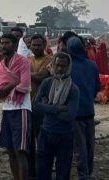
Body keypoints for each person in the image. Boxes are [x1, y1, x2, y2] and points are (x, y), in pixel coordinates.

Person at [35, 52, 80, 180]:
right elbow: (36, 106)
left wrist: (47, 107)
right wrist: (58, 108)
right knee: (42, 172)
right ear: (53, 65)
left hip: (64, 136)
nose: (60, 69)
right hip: (45, 133)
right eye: (57, 65)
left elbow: (70, 116)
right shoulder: (47, 83)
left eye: (63, 66)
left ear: (69, 67)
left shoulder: (73, 89)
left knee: (63, 173)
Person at [0, 34, 31, 180]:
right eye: (2, 43)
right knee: (10, 150)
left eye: (7, 43)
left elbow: (25, 86)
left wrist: (6, 87)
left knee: (20, 150)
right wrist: (15, 82)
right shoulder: (0, 67)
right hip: (7, 109)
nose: (3, 45)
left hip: (21, 109)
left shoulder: (23, 62)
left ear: (15, 46)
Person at [67, 37, 101, 180]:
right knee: (89, 146)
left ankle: (84, 174)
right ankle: (89, 172)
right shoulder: (92, 65)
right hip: (89, 111)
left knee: (79, 147)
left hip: (74, 113)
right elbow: (97, 89)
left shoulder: (67, 66)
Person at [27, 34, 53, 179]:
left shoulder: (50, 60)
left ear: (44, 46)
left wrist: (25, 73)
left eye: (38, 45)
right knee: (29, 145)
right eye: (33, 45)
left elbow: (41, 77)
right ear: (30, 46)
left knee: (43, 145)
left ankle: (44, 173)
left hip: (43, 108)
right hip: (28, 106)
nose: (36, 47)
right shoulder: (27, 60)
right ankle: (32, 173)